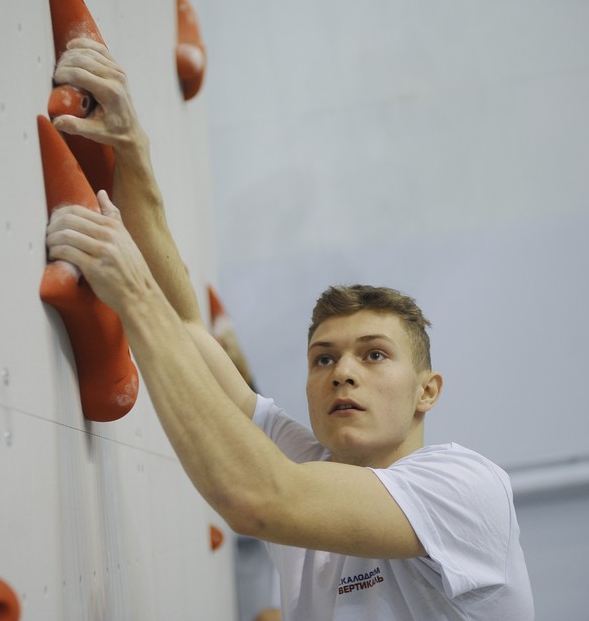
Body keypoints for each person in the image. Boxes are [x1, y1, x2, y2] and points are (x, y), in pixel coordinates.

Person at [46, 38, 535, 620]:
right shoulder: (308, 463)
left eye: (374, 355)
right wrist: (133, 151)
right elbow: (185, 328)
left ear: (427, 391)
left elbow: (261, 500)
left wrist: (133, 295)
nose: (342, 372)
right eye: (323, 358)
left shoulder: (464, 488)